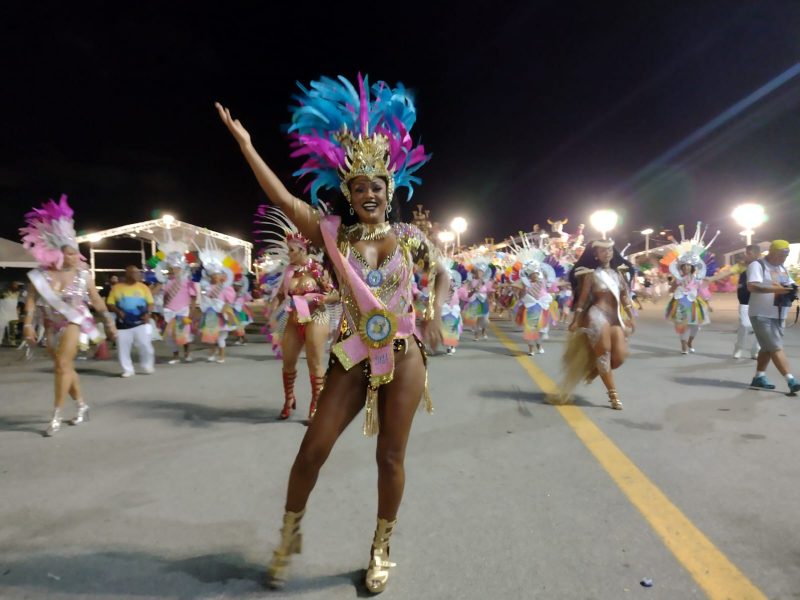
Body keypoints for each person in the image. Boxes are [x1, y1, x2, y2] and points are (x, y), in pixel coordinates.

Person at [216, 72, 448, 593]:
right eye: (359, 186)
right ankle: (287, 537)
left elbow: (443, 272)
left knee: (391, 455)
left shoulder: (412, 238)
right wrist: (248, 145)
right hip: (352, 354)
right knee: (312, 450)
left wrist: (434, 311)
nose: (369, 193)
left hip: (405, 354)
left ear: (391, 190)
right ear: (348, 192)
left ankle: (380, 547)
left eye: (377, 185)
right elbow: (279, 197)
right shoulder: (332, 235)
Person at [20, 195, 117, 436]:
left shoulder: (84, 274)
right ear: (57, 253)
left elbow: (95, 299)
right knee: (65, 367)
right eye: (69, 253)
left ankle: (56, 415)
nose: (74, 257)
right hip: (50, 325)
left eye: (76, 253)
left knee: (62, 365)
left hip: (75, 321)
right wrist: (28, 325)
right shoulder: (40, 275)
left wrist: (108, 322)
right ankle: (82, 406)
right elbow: (31, 299)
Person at [256, 205, 338, 421]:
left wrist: (320, 298)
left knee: (314, 362)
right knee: (288, 361)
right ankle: (289, 399)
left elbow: (335, 294)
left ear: (303, 249)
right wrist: (273, 304)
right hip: (294, 318)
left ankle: (316, 403)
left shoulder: (318, 269)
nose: (288, 253)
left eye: (292, 249)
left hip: (317, 317)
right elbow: (283, 296)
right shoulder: (288, 272)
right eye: (287, 249)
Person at [556, 239, 635, 410]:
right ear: (596, 255)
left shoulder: (618, 274)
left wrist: (631, 315)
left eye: (609, 250)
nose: (607, 253)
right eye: (602, 251)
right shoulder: (591, 274)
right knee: (604, 353)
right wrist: (576, 319)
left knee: (620, 356)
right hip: (597, 314)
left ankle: (597, 369)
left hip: (615, 317)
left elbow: (624, 297)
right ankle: (613, 394)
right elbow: (583, 300)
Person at [746, 240, 800, 393]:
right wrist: (779, 290)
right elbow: (752, 286)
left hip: (778, 313)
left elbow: (790, 285)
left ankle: (759, 377)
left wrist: (794, 289)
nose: (783, 258)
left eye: (786, 255)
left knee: (767, 346)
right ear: (771, 252)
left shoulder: (782, 268)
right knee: (775, 346)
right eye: (781, 254)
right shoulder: (758, 265)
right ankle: (790, 379)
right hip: (761, 313)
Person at [663, 223, 719, 354]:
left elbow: (703, 291)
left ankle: (690, 342)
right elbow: (671, 289)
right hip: (680, 302)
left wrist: (708, 304)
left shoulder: (698, 278)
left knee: (696, 326)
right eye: (684, 266)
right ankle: (683, 346)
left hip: (694, 302)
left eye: (689, 265)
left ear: (692, 267)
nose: (687, 267)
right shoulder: (678, 278)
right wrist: (672, 288)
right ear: (681, 267)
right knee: (682, 325)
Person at [107, 265, 155, 378]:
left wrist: (148, 314)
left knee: (146, 346)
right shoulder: (117, 288)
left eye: (138, 272)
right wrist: (118, 311)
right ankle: (128, 369)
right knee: (123, 348)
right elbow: (110, 303)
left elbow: (150, 303)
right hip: (123, 323)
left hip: (140, 322)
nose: (137, 275)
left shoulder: (143, 287)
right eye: (134, 273)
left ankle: (147, 365)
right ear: (127, 274)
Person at [732, 244, 762, 359]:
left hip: (759, 301)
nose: (746, 255)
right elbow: (727, 272)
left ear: (756, 254)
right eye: (746, 253)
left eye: (748, 253)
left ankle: (756, 351)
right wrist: (711, 279)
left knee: (759, 328)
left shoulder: (762, 266)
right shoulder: (741, 265)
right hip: (744, 301)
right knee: (744, 325)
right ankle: (739, 347)